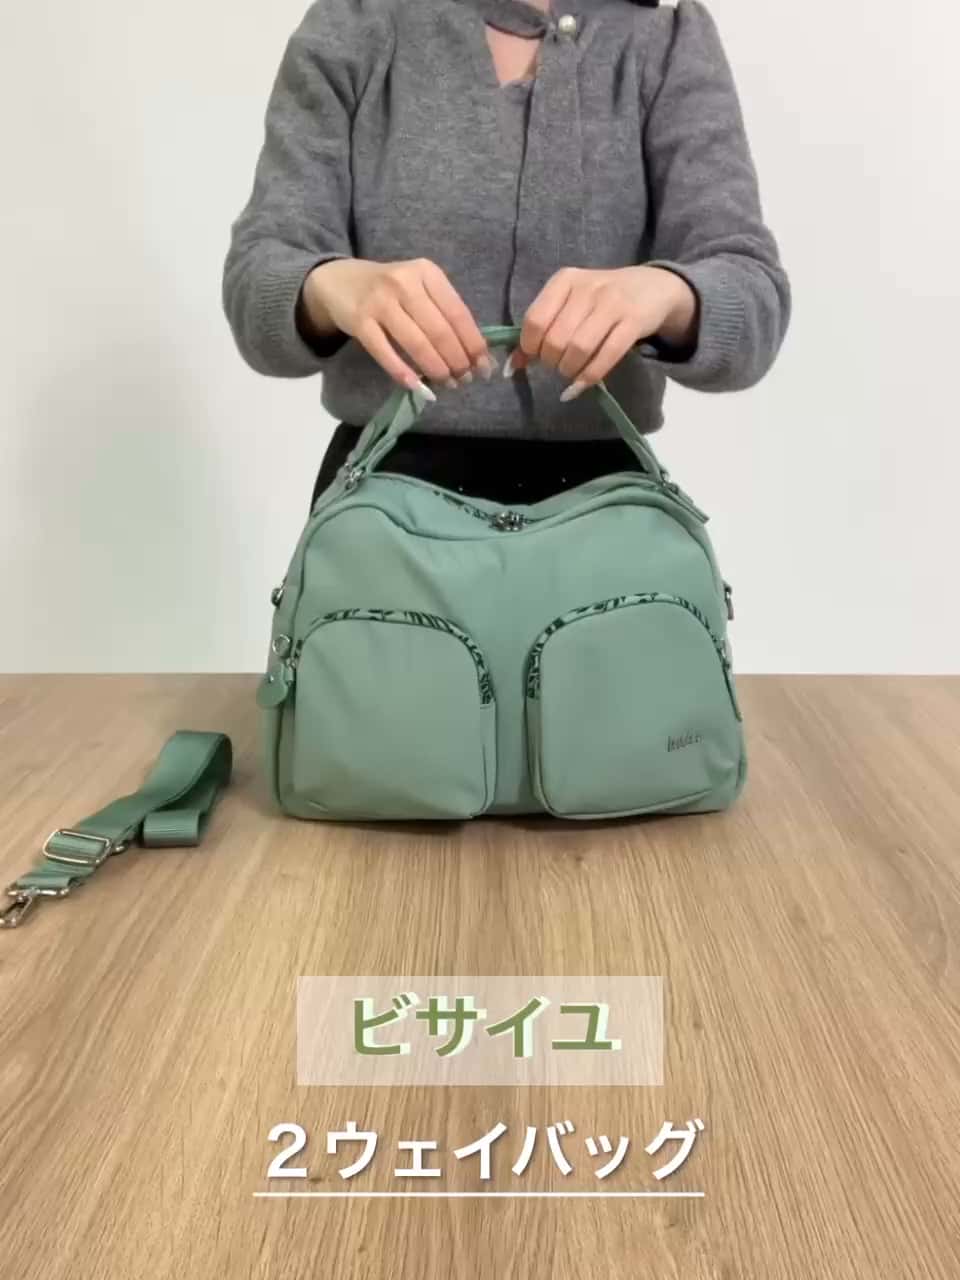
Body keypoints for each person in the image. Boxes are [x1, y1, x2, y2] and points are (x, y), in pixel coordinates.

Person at [221, 0, 791, 507]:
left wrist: (666, 294)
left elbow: (753, 293)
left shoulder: (664, 43)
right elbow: (258, 275)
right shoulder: (355, 26)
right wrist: (332, 286)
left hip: (605, 520)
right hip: (384, 514)